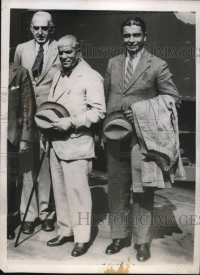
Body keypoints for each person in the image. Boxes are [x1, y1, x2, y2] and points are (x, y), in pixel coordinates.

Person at [104, 17, 184, 262]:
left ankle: (141, 242)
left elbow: (173, 99)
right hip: (115, 136)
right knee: (116, 189)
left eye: (136, 35)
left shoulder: (157, 65)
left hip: (143, 140)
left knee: (142, 190)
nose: (131, 40)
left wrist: (141, 108)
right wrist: (102, 130)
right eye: (127, 35)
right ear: (122, 37)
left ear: (145, 36)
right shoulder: (113, 63)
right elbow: (106, 96)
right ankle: (118, 236)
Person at [46, 35, 106, 257]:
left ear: (78, 51)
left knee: (79, 194)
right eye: (60, 52)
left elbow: (98, 112)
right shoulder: (58, 75)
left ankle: (81, 238)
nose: (64, 56)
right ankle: (65, 231)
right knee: (60, 191)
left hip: (77, 144)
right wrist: (46, 135)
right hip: (55, 143)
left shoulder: (90, 76)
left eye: (68, 52)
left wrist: (70, 122)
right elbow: (51, 107)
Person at [14, 11, 60, 234]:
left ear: (52, 28)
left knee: (45, 165)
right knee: (26, 166)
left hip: (48, 115)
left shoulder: (60, 47)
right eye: (36, 28)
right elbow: (14, 78)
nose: (40, 33)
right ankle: (28, 215)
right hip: (25, 116)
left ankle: (46, 213)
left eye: (45, 28)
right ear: (31, 28)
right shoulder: (21, 49)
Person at [8, 61, 35, 239]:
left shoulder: (20, 72)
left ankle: (7, 223)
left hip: (10, 135)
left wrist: (25, 137)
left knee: (10, 181)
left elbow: (27, 107)